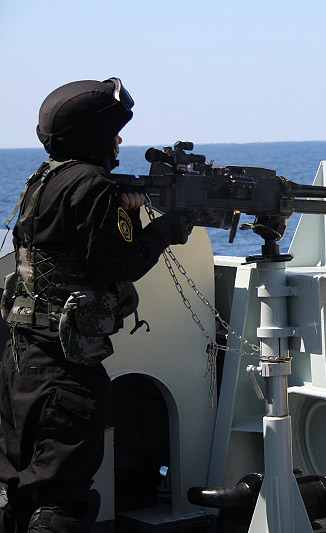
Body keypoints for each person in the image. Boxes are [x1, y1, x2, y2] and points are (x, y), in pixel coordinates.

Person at [0, 78, 194, 532]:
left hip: (21, 358)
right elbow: (117, 265)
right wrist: (165, 229)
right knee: (61, 501)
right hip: (62, 368)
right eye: (113, 133)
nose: (119, 142)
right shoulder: (92, 186)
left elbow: (73, 250)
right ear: (93, 135)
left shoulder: (43, 180)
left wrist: (126, 213)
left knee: (22, 492)